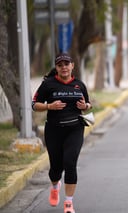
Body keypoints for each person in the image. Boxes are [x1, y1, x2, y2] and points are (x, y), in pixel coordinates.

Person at [32, 53, 92, 213]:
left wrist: (84, 106)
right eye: (60, 65)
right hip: (54, 130)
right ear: (56, 68)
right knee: (56, 168)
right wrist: (48, 107)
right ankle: (55, 185)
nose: (64, 67)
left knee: (70, 163)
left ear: (72, 66)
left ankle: (68, 203)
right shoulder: (48, 84)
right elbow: (34, 104)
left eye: (67, 64)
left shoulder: (79, 85)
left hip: (75, 128)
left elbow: (88, 104)